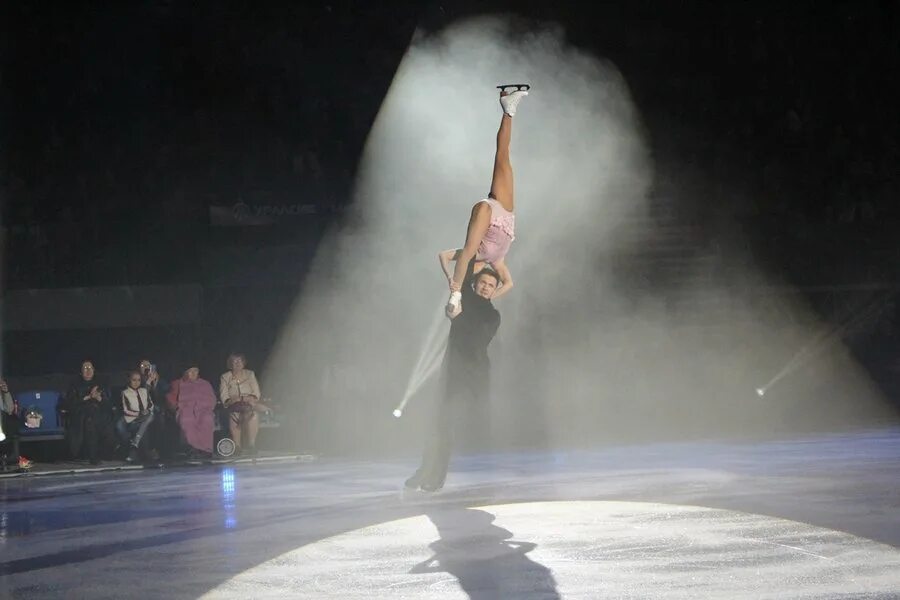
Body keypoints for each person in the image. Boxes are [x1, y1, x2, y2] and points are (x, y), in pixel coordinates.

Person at [406, 261, 502, 492]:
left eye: (491, 285)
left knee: (444, 424)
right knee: (438, 424)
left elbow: (476, 339)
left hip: (471, 377)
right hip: (451, 372)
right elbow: (448, 259)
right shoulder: (464, 299)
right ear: (475, 284)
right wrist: (475, 258)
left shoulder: (492, 315)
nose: (486, 287)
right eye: (483, 283)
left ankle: (433, 477)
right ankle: (425, 472)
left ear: (494, 290)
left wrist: (495, 259)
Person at [445, 85, 528, 313]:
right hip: (504, 212)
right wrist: (490, 297)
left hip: (488, 213)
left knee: (469, 248)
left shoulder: (477, 260)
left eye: (486, 285)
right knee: (503, 155)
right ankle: (508, 109)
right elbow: (509, 284)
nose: (487, 285)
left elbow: (444, 257)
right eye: (489, 285)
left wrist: (455, 291)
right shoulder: (498, 263)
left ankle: (507, 107)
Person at [166, 363, 217, 459]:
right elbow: (170, 398)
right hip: (185, 410)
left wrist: (207, 407)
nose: (193, 373)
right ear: (185, 372)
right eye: (191, 371)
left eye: (195, 371)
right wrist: (176, 408)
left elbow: (212, 398)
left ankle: (206, 449)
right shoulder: (178, 383)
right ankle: (194, 448)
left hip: (203, 410)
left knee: (207, 419)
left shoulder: (205, 383)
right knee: (187, 419)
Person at [219, 353, 265, 456]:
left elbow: (256, 393)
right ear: (230, 364)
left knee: (253, 415)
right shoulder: (225, 377)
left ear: (243, 363)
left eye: (239, 361)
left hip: (249, 404)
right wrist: (233, 400)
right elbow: (224, 397)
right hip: (233, 405)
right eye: (235, 361)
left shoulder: (250, 374)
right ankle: (237, 446)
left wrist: (244, 398)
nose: (237, 363)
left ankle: (251, 445)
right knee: (234, 415)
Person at [116, 371, 154, 463]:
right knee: (146, 421)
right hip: (133, 419)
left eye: (139, 380)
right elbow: (126, 410)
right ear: (129, 380)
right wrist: (139, 413)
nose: (136, 382)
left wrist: (147, 411)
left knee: (151, 416)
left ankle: (135, 444)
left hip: (145, 417)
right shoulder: (125, 393)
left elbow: (150, 405)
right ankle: (134, 447)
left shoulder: (144, 391)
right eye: (134, 380)